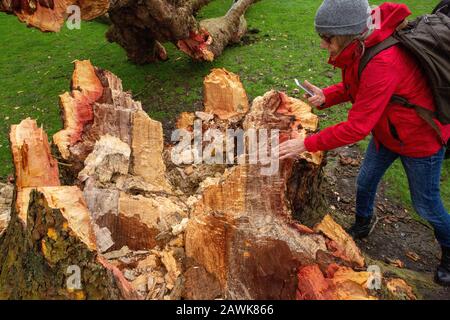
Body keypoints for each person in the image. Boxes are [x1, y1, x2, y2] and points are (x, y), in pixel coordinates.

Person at [278, 0, 450, 287]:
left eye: (327, 38)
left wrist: (306, 144)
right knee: (365, 181)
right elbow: (357, 86)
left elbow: (357, 127)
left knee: (427, 205)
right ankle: (361, 224)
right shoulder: (362, 44)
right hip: (388, 134)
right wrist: (327, 96)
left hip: (420, 142)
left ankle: (448, 253)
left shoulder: (384, 60)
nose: (323, 45)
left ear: (346, 34)